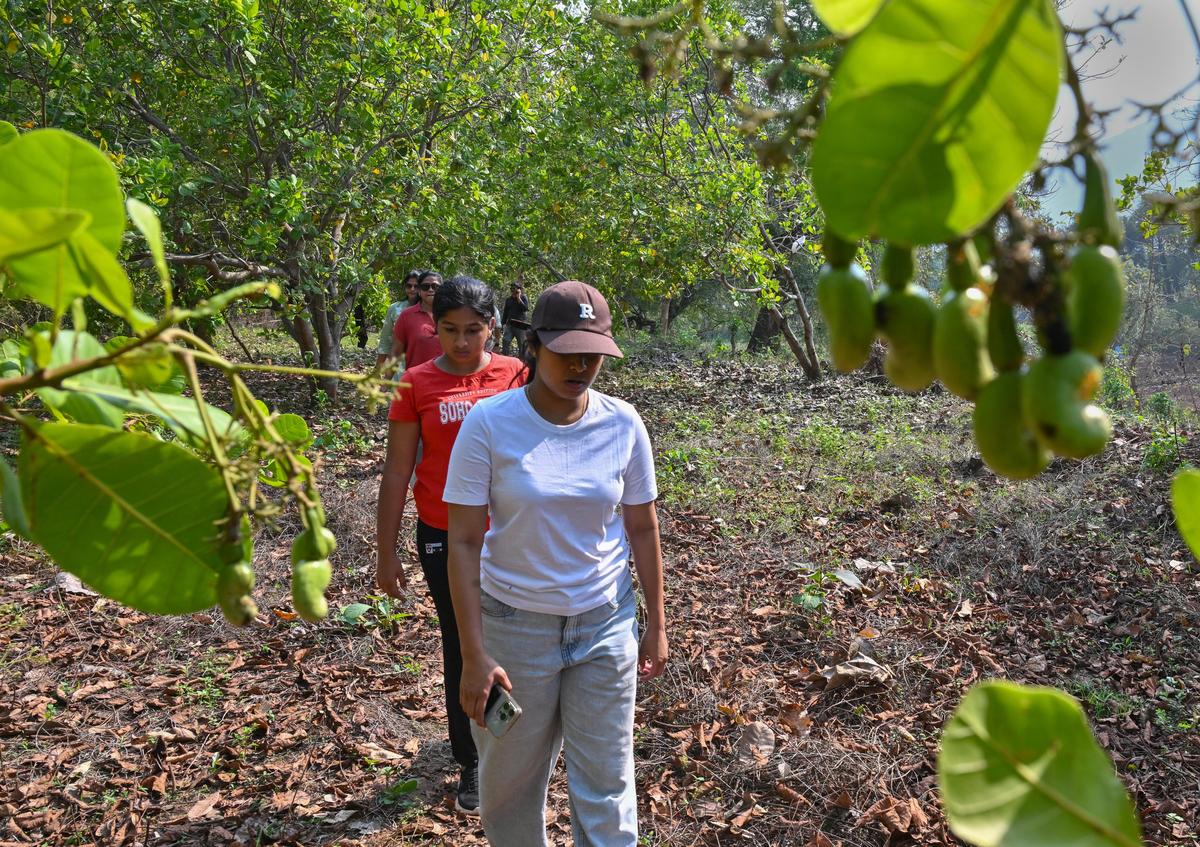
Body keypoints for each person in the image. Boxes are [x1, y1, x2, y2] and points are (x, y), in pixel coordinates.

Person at [444, 280, 668, 846]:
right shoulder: (490, 424)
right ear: (534, 346)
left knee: (607, 783)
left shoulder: (623, 423)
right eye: (566, 353)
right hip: (514, 631)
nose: (580, 366)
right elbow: (464, 541)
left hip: (604, 624)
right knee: (509, 788)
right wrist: (474, 654)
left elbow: (642, 527)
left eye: (592, 354)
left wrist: (656, 626)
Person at [375, 276, 525, 816]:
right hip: (441, 533)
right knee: (464, 640)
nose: (462, 343)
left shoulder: (516, 375)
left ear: (493, 328)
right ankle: (473, 760)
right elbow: (397, 471)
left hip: (508, 531)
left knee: (513, 635)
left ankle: (512, 743)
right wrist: (385, 552)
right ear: (431, 326)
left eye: (474, 331)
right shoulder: (414, 382)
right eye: (450, 330)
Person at [391, 270, 443, 371]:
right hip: (416, 381)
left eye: (435, 287)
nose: (430, 290)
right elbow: (396, 353)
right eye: (425, 286)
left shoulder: (451, 314)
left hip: (448, 382)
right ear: (419, 291)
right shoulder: (406, 316)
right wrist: (386, 383)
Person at [375, 269, 421, 371]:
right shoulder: (395, 308)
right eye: (409, 286)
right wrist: (377, 371)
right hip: (399, 366)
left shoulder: (430, 309)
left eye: (416, 286)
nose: (412, 289)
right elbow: (385, 341)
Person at [500, 280, 530, 357]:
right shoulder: (508, 300)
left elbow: (525, 308)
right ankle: (505, 358)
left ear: (519, 289)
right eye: (511, 288)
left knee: (521, 344)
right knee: (505, 340)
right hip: (510, 324)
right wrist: (502, 324)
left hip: (520, 325)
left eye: (514, 288)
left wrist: (518, 298)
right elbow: (506, 312)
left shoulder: (523, 297)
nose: (512, 290)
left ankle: (522, 361)